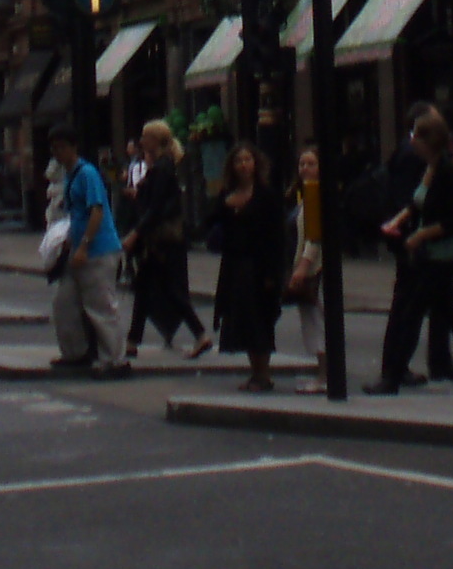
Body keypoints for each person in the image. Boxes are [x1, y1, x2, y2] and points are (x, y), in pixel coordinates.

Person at [366, 115, 453, 395]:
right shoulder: (431, 167)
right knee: (451, 317)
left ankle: (392, 379)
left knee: (413, 314)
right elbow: (416, 203)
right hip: (432, 256)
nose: (412, 142)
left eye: (416, 137)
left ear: (428, 141)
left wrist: (420, 236)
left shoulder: (447, 172)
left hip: (442, 256)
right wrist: (397, 221)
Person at [208, 142, 292, 391]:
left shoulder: (267, 196)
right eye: (238, 161)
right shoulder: (227, 194)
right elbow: (209, 223)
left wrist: (273, 273)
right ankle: (255, 372)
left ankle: (263, 374)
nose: (244, 165)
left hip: (258, 267)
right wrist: (225, 205)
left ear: (256, 164)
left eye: (248, 160)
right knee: (242, 320)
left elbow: (276, 236)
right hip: (234, 266)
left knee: (259, 320)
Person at [124, 121, 211, 359]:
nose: (142, 141)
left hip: (162, 240)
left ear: (155, 140)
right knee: (145, 287)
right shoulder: (161, 166)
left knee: (168, 290)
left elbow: (156, 208)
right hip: (161, 239)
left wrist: (135, 234)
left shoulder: (162, 168)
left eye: (145, 137)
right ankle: (132, 341)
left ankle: (200, 334)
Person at [48, 125, 126, 375]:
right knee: (65, 303)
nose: (58, 153)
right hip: (77, 249)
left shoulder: (87, 173)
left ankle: (114, 360)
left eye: (62, 147)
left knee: (101, 306)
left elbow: (97, 210)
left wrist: (84, 245)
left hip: (98, 249)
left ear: (74, 147)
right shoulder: (70, 175)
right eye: (54, 148)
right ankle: (75, 352)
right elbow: (76, 214)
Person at [285, 146, 326, 376]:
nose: (305, 168)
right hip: (306, 266)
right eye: (302, 164)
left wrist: (302, 267)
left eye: (311, 164)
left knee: (316, 321)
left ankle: (325, 375)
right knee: (311, 320)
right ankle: (323, 373)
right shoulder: (302, 194)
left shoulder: (315, 195)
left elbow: (314, 238)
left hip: (314, 269)